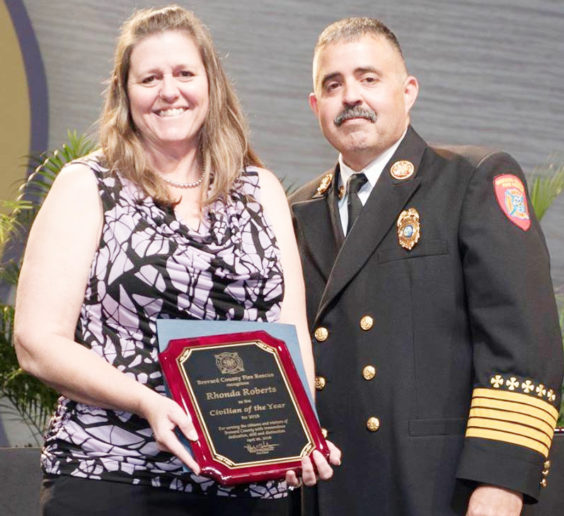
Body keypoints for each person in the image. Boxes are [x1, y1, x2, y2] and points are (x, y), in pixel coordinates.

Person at [14, 5, 337, 515]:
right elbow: (36, 343)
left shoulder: (261, 191)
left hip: (249, 488)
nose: (169, 91)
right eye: (150, 78)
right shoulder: (88, 185)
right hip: (114, 475)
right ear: (125, 93)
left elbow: (289, 333)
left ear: (210, 83)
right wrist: (147, 402)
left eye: (185, 73)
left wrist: (302, 434)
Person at [290, 17, 563, 516]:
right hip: (325, 488)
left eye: (369, 78)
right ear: (316, 106)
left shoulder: (471, 182)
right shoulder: (297, 208)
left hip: (436, 488)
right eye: (333, 84)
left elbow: (523, 346)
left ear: (407, 90)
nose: (351, 95)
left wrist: (501, 483)